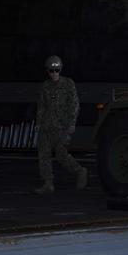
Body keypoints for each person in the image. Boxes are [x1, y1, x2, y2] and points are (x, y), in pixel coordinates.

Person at [34, 55, 86, 194]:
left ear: (60, 69)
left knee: (61, 154)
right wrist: (38, 123)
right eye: (51, 71)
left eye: (57, 70)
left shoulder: (68, 84)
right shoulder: (45, 86)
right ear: (47, 71)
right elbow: (42, 106)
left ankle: (80, 171)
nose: (54, 74)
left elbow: (74, 105)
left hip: (62, 126)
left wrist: (72, 123)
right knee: (43, 153)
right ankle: (48, 183)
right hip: (47, 125)